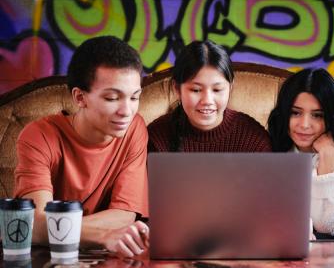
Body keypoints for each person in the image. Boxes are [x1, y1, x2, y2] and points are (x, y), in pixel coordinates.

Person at [14, 36, 149, 257]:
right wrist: (101, 235)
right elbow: (36, 224)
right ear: (79, 97)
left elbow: (124, 216)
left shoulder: (135, 129)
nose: (127, 111)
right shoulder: (38, 136)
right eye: (113, 98)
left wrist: (59, 227)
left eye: (134, 97)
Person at [268, 68, 334, 237]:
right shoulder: (270, 146)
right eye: (296, 113)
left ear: (331, 118)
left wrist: (327, 158)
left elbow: (333, 225)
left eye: (317, 115)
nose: (305, 124)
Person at [148, 40, 271, 152]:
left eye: (217, 90)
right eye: (196, 90)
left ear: (230, 88)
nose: (207, 100)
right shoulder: (156, 138)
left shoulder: (253, 139)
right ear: (177, 89)